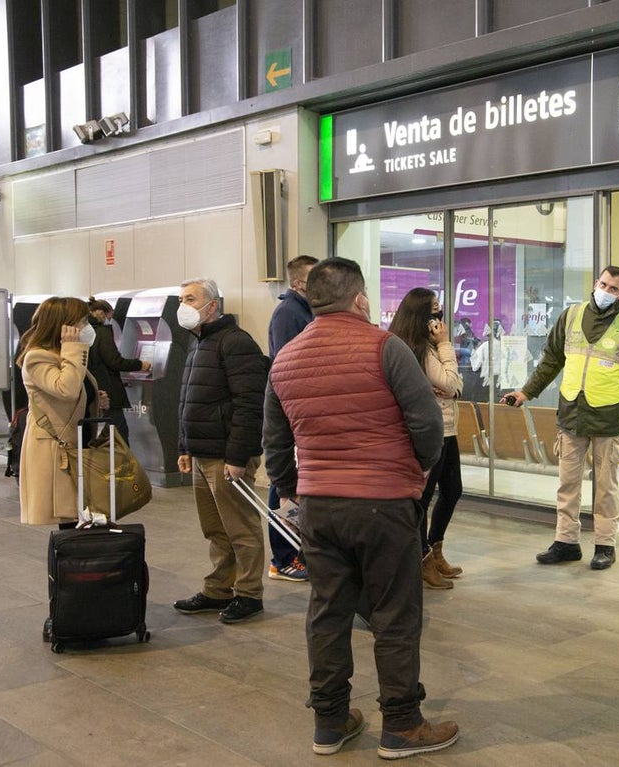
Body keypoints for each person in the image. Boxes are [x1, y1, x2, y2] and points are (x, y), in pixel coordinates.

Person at [262, 257, 458, 758]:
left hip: (319, 507)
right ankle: (402, 725)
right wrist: (414, 472)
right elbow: (428, 426)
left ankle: (330, 722)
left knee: (327, 611)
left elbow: (276, 444)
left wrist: (292, 490)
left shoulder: (285, 359)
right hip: (383, 503)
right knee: (394, 614)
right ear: (360, 298)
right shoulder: (385, 347)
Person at [502, 266, 619, 570]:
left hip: (607, 416)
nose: (606, 291)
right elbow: (551, 360)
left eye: (613, 288)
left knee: (606, 487)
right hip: (572, 414)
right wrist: (525, 393)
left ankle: (605, 545)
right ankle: (566, 542)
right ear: (594, 283)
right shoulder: (571, 316)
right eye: (603, 284)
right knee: (567, 483)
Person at [172, 278, 270, 625]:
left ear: (212, 305)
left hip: (227, 455)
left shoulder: (235, 342)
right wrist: (185, 446)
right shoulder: (198, 342)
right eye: (181, 298)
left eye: (190, 298)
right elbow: (190, 400)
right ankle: (218, 588)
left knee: (240, 528)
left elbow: (250, 404)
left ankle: (248, 593)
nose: (183, 304)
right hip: (202, 453)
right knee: (215, 529)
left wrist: (237, 457)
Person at [388, 287, 465, 590]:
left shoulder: (426, 347)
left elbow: (449, 387)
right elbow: (453, 384)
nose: (439, 316)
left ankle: (435, 549)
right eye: (433, 309)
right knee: (423, 497)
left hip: (448, 429)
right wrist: (446, 345)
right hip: (430, 431)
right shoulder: (419, 348)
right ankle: (422, 559)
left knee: (452, 490)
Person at [17, 297, 100, 526]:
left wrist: (93, 398)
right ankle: (68, 562)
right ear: (64, 325)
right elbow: (67, 389)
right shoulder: (37, 357)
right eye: (82, 321)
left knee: (77, 519)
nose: (86, 327)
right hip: (54, 449)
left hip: (75, 445)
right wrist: (73, 347)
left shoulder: (60, 355)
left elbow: (72, 393)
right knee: (69, 519)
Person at [265, 254, 319, 583]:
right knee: (283, 485)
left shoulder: (308, 311)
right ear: (298, 283)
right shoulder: (288, 314)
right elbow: (286, 366)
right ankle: (283, 557)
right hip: (291, 411)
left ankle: (299, 551)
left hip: (306, 409)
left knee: (298, 485)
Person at [85, 297, 151, 444]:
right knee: (119, 432)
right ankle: (124, 465)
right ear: (101, 312)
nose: (110, 319)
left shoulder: (85, 331)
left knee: (104, 432)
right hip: (108, 389)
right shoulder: (102, 332)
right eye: (110, 316)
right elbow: (114, 361)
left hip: (93, 388)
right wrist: (140, 364)